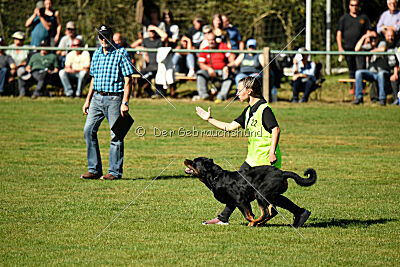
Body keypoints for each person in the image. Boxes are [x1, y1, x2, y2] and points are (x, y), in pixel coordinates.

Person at [195, 76, 311, 227]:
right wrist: (209, 119)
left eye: (239, 90)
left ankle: (298, 212)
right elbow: (229, 127)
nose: (237, 93)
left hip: (265, 160)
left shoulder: (264, 109)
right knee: (236, 188)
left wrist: (272, 152)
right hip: (252, 160)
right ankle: (299, 212)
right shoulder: (248, 111)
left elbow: (275, 130)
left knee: (258, 193)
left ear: (249, 91)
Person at [81, 24, 134, 180]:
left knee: (116, 135)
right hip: (97, 98)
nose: (104, 39)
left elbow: (128, 79)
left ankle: (114, 172)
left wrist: (125, 102)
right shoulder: (96, 53)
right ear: (98, 38)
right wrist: (87, 100)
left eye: (107, 36)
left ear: (111, 37)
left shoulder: (121, 53)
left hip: (114, 98)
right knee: (88, 130)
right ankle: (94, 169)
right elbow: (93, 79)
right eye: (101, 36)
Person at [353, 29, 398, 105]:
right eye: (371, 38)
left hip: (383, 72)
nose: (373, 40)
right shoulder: (369, 45)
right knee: (358, 73)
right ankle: (359, 97)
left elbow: (383, 49)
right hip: (371, 73)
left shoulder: (382, 43)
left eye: (375, 38)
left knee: (380, 74)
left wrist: (371, 52)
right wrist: (364, 37)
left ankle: (382, 99)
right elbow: (356, 49)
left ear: (378, 38)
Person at [336, 0, 371, 82]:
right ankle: (353, 87)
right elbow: (339, 34)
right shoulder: (344, 18)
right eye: (352, 5)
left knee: (361, 69)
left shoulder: (364, 18)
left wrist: (366, 42)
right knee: (351, 69)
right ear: (349, 6)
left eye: (356, 5)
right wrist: (340, 48)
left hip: (361, 49)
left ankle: (361, 87)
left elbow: (368, 32)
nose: (354, 7)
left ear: (358, 6)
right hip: (348, 48)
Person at [195, 33, 234, 103]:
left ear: (215, 40)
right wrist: (208, 69)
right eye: (209, 40)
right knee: (200, 73)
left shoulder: (222, 46)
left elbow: (231, 56)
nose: (211, 42)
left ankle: (221, 97)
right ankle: (204, 96)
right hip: (209, 71)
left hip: (222, 70)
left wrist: (227, 66)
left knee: (228, 75)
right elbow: (201, 64)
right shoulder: (205, 49)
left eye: (212, 40)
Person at [137, 25, 167, 97]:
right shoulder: (145, 40)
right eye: (150, 31)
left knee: (156, 74)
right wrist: (144, 53)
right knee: (139, 75)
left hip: (158, 65)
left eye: (153, 31)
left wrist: (154, 28)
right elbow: (136, 47)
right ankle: (146, 92)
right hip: (148, 66)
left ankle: (158, 93)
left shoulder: (159, 40)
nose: (151, 32)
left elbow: (165, 36)